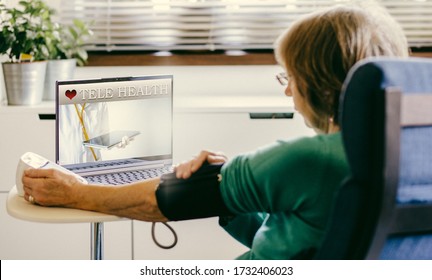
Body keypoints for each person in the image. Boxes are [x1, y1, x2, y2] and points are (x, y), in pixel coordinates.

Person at [22, 2, 409, 259]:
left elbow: (162, 202)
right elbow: (299, 242)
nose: (288, 89)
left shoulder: (307, 159)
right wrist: (230, 201)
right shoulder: (408, 154)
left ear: (320, 82)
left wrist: (74, 190)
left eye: (290, 77)